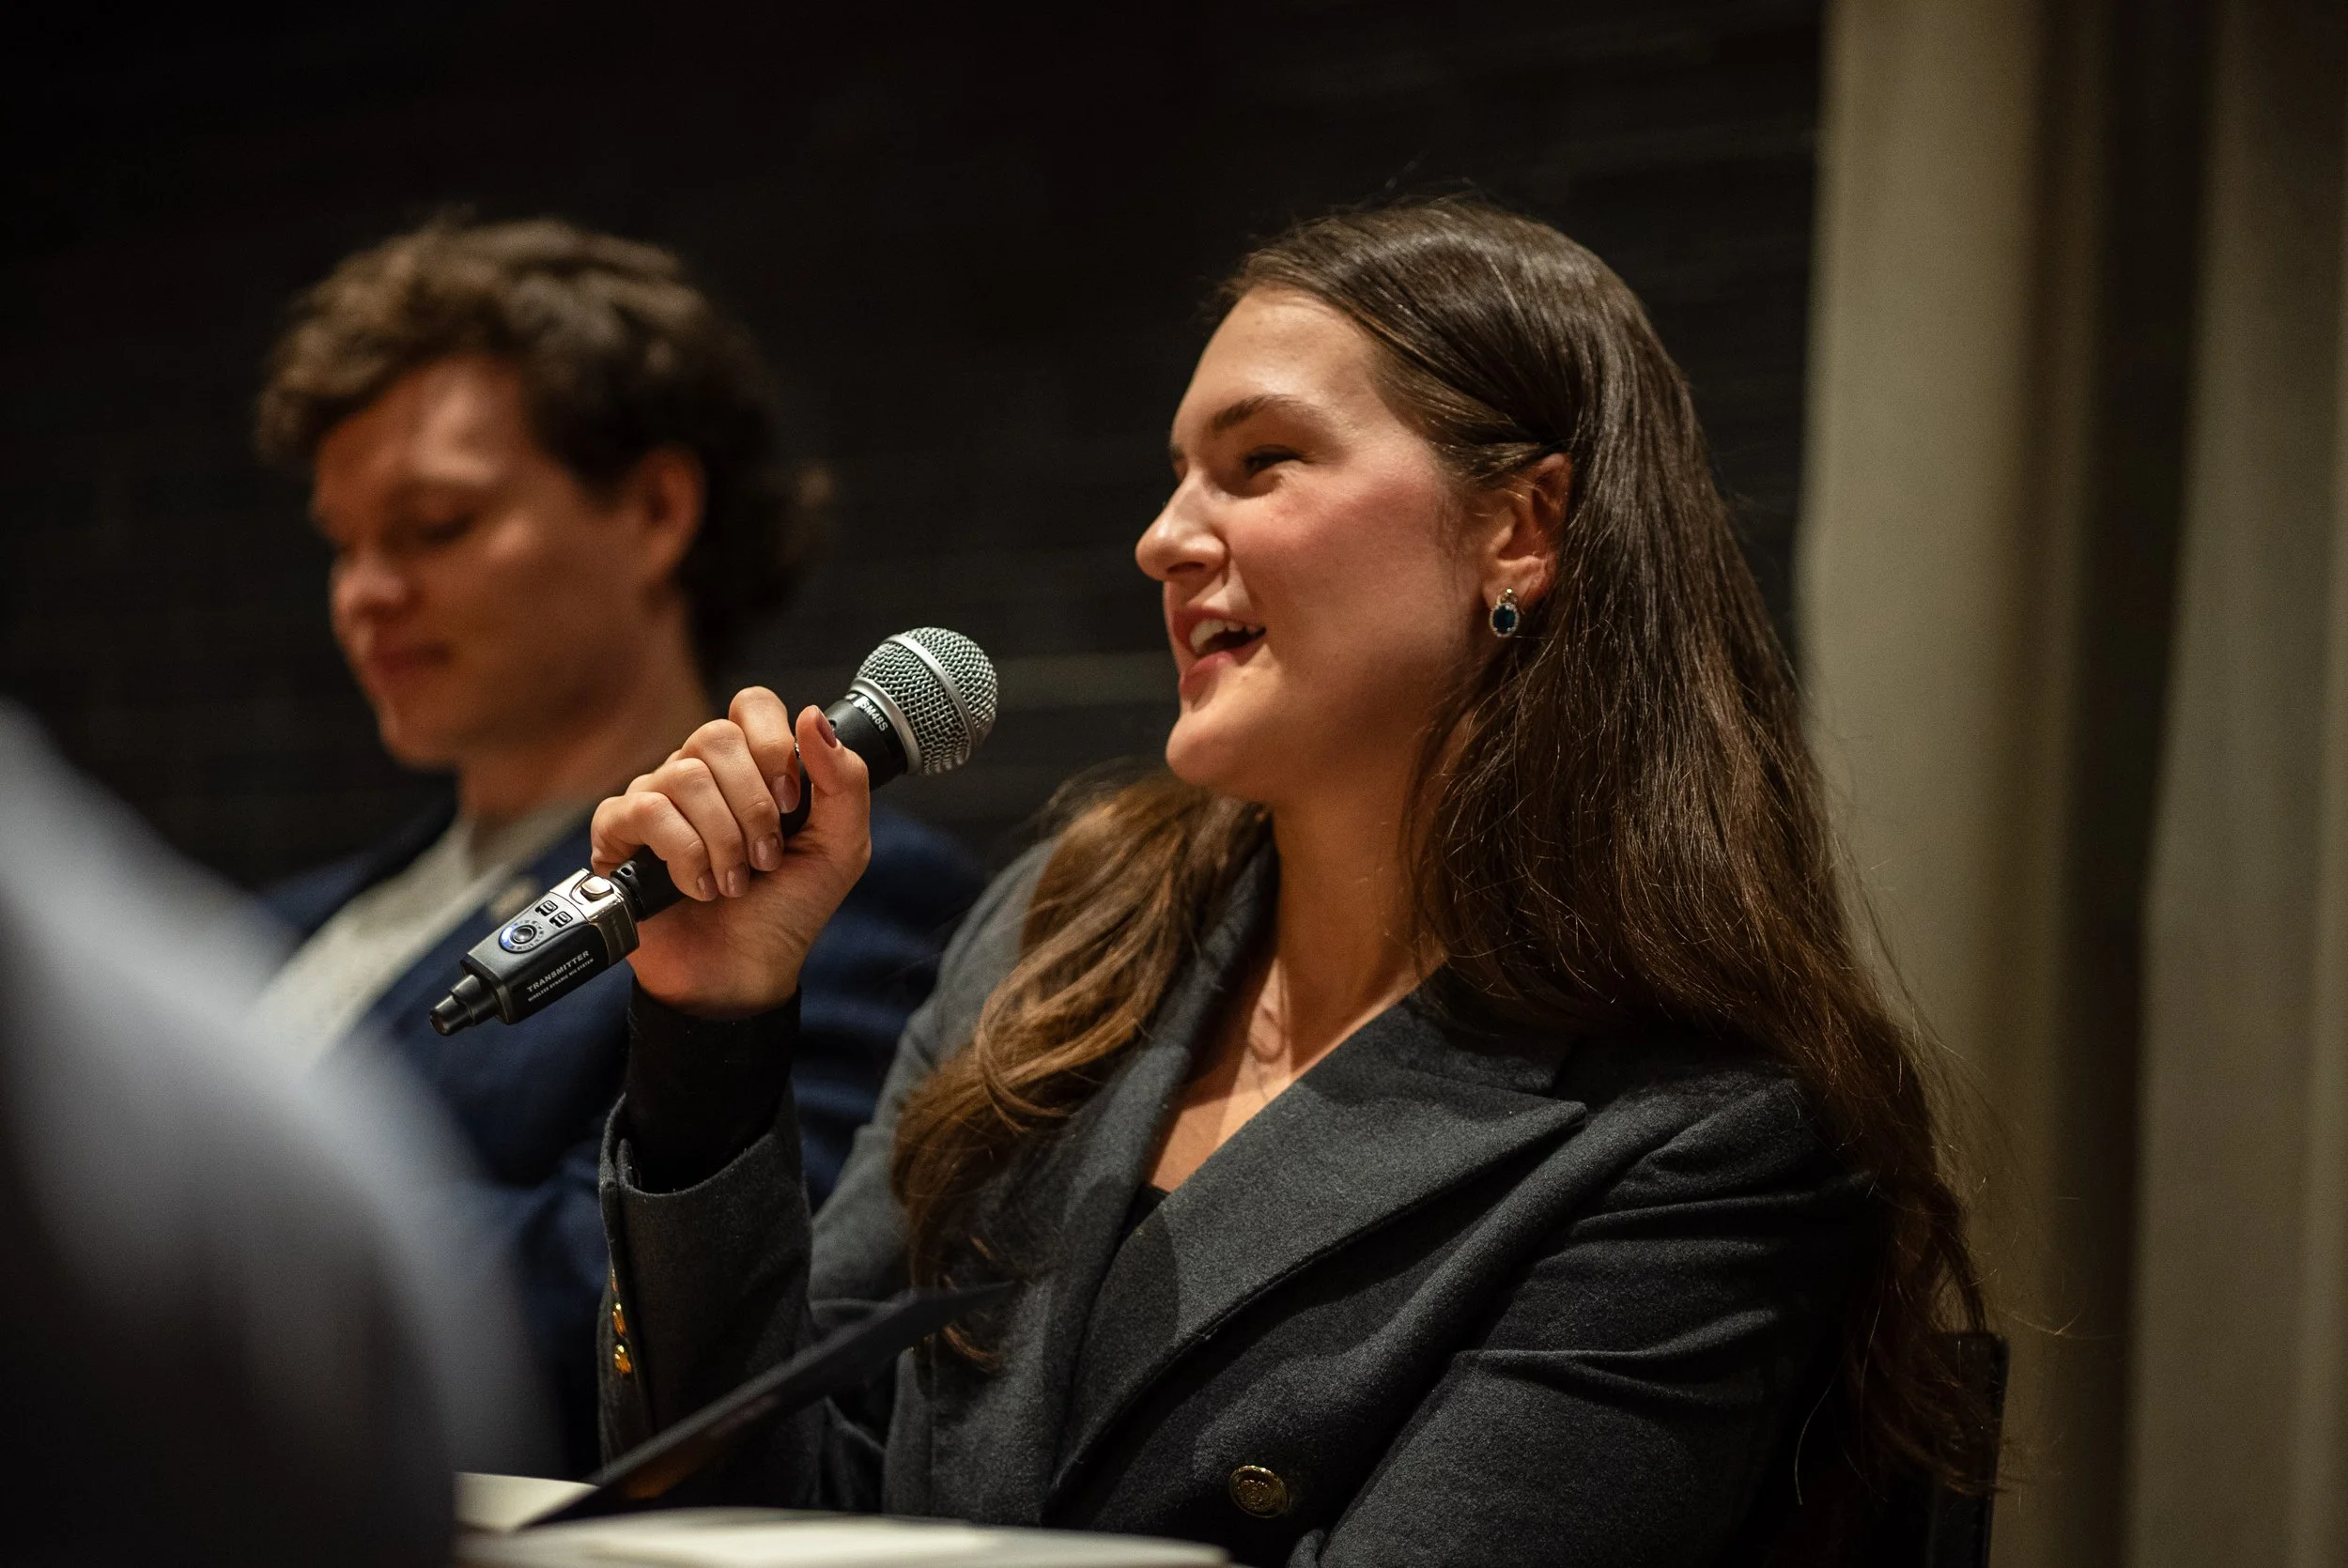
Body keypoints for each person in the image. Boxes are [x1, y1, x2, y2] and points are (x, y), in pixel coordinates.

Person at [585, 202, 1992, 1563]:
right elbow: (756, 1506)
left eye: (1259, 462)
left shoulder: (1701, 1142)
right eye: (1182, 470)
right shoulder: (1056, 939)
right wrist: (710, 1035)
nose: (1163, 536)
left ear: (1520, 528)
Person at [247, 218, 982, 1476]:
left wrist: (173, 1210)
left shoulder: (832, 892)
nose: (365, 591)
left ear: (653, 511)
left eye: (433, 525)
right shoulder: (279, 920)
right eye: (345, 542)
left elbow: (660, 1327)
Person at [0, 704, 548, 1566]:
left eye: (435, 554)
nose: (365, 597)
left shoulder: (716, 893)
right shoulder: (278, 918)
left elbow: (598, 1298)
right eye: (345, 560)